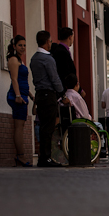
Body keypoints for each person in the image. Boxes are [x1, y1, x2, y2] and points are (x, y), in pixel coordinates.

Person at [30, 30, 69, 167]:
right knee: (48, 128)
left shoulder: (34, 58)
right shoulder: (48, 59)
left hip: (40, 94)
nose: (51, 43)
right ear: (47, 42)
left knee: (42, 127)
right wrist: (63, 95)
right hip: (49, 95)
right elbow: (55, 79)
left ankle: (43, 156)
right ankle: (46, 158)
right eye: (51, 41)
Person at [6, 35, 34, 166]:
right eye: (20, 45)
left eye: (24, 45)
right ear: (14, 46)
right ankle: (20, 156)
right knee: (18, 127)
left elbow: (23, 82)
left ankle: (20, 156)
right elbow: (14, 79)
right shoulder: (13, 60)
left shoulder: (20, 61)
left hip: (22, 96)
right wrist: (18, 96)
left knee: (21, 126)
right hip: (17, 97)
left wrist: (31, 96)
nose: (23, 48)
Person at [50, 27, 78, 92]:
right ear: (70, 37)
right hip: (65, 89)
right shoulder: (62, 52)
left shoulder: (61, 50)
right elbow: (64, 72)